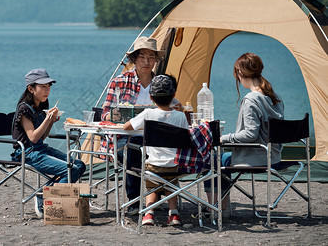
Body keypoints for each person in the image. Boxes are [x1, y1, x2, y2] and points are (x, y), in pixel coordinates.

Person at [99, 36, 180, 215]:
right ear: (134, 59)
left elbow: (173, 105)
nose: (146, 61)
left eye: (151, 57)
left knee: (165, 150)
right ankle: (135, 201)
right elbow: (104, 114)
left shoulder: (161, 82)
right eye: (142, 57)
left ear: (156, 60)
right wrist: (113, 115)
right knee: (132, 151)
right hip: (124, 137)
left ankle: (157, 197)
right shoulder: (119, 81)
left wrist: (177, 107)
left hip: (155, 139)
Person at [204, 52, 284, 216]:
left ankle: (218, 209)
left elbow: (249, 135)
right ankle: (221, 207)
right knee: (222, 158)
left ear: (240, 73)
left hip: (256, 158)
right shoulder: (275, 97)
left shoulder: (251, 100)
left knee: (213, 159)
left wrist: (220, 139)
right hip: (274, 156)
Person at [11, 69, 86, 218]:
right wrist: (47, 119)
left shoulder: (42, 106)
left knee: (80, 165)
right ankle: (43, 197)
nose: (47, 91)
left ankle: (45, 191)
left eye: (49, 86)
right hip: (27, 153)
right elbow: (32, 138)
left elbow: (41, 137)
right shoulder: (24, 108)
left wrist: (51, 121)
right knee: (68, 169)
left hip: (40, 148)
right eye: (43, 87)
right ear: (31, 89)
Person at [122, 74, 188, 226]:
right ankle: (174, 214)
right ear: (173, 96)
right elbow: (186, 135)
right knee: (171, 182)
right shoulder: (180, 116)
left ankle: (149, 213)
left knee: (152, 184)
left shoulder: (148, 114)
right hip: (175, 166)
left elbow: (126, 127)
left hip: (152, 166)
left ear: (151, 97)